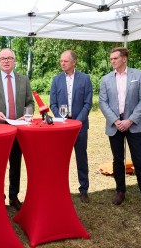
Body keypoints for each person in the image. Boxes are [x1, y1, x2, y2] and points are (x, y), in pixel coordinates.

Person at [99, 47, 141, 212]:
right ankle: (120, 191)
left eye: (115, 58)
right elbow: (102, 102)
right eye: (111, 59)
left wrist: (130, 120)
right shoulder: (105, 79)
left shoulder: (138, 75)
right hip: (115, 125)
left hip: (135, 125)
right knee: (118, 160)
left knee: (139, 161)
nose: (112, 61)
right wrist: (115, 120)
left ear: (124, 58)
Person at [0, 48, 34, 211]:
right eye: (2, 58)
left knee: (15, 164)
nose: (6, 61)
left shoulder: (23, 80)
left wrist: (27, 114)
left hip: (18, 129)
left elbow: (30, 103)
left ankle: (13, 196)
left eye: (9, 58)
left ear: (14, 60)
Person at [50, 50, 93, 203]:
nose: (62, 63)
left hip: (80, 126)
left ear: (74, 62)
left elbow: (88, 103)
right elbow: (52, 103)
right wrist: (61, 119)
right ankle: (61, 190)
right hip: (62, 127)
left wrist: (78, 122)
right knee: (61, 160)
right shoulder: (56, 80)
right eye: (61, 61)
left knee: (81, 158)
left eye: (66, 61)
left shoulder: (85, 79)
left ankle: (84, 190)